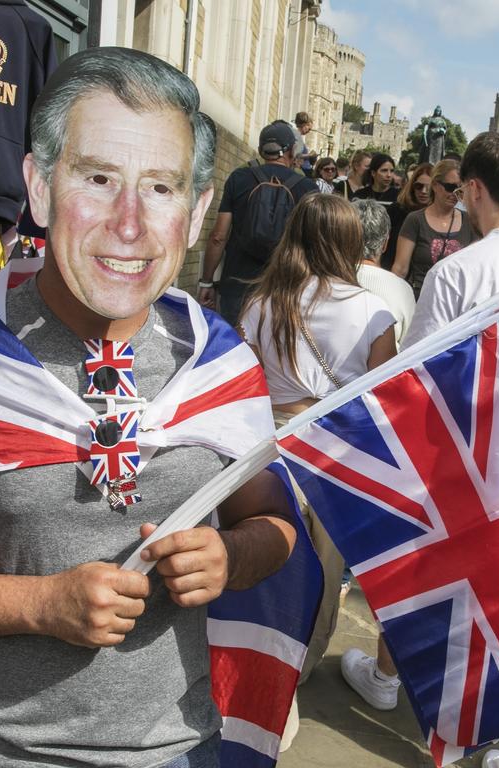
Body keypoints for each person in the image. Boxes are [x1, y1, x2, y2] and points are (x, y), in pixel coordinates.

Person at [0, 47, 297, 768]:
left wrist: (233, 555)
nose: (130, 223)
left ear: (200, 211)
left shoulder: (221, 363)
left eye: (162, 188)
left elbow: (273, 524)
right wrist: (38, 606)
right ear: (40, 187)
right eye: (99, 178)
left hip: (188, 749)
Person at [356, 134, 499, 768]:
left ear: (476, 190)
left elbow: (422, 370)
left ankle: (410, 693)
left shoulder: (457, 270)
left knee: (437, 568)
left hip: (471, 433)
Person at [238, 192, 397, 726]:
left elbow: (245, 386)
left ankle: (264, 668)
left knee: (269, 560)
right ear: (352, 242)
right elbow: (381, 400)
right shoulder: (375, 311)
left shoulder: (261, 303)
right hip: (337, 454)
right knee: (327, 572)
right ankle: (300, 671)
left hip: (270, 446)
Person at [199, 122, 318, 326]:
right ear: (291, 150)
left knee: (234, 351)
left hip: (236, 286)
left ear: (262, 149)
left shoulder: (239, 178)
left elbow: (218, 236)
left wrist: (207, 281)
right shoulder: (307, 187)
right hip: (283, 288)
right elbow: (312, 244)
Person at [391, 159, 474, 297]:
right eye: (450, 187)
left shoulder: (470, 221)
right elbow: (400, 269)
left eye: (461, 189)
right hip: (420, 298)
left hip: (455, 302)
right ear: (435, 185)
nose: (455, 194)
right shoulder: (415, 219)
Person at [352, 199, 415, 346]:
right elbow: (410, 346)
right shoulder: (402, 289)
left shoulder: (329, 281)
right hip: (388, 367)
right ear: (385, 243)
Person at [380, 161, 432, 270]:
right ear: (412, 186)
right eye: (419, 186)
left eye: (429, 187)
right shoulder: (397, 210)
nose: (423, 191)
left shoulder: (440, 216)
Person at [293, 111, 317, 176]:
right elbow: (295, 154)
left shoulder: (298, 136)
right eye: (309, 129)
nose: (308, 132)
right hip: (303, 169)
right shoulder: (296, 136)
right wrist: (310, 155)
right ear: (304, 125)